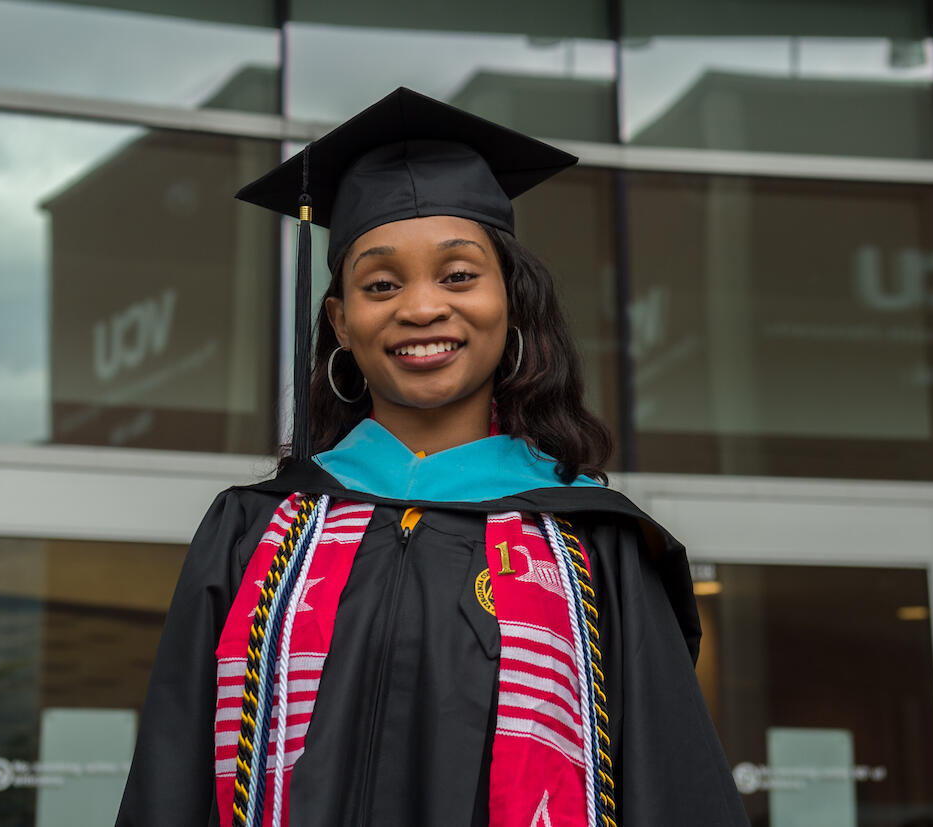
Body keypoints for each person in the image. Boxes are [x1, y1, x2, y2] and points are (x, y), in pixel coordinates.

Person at [115, 88, 749, 827]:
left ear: (509, 298)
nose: (420, 308)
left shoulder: (591, 544)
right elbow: (171, 786)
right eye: (381, 284)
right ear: (340, 320)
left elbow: (673, 792)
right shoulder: (257, 532)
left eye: (458, 275)